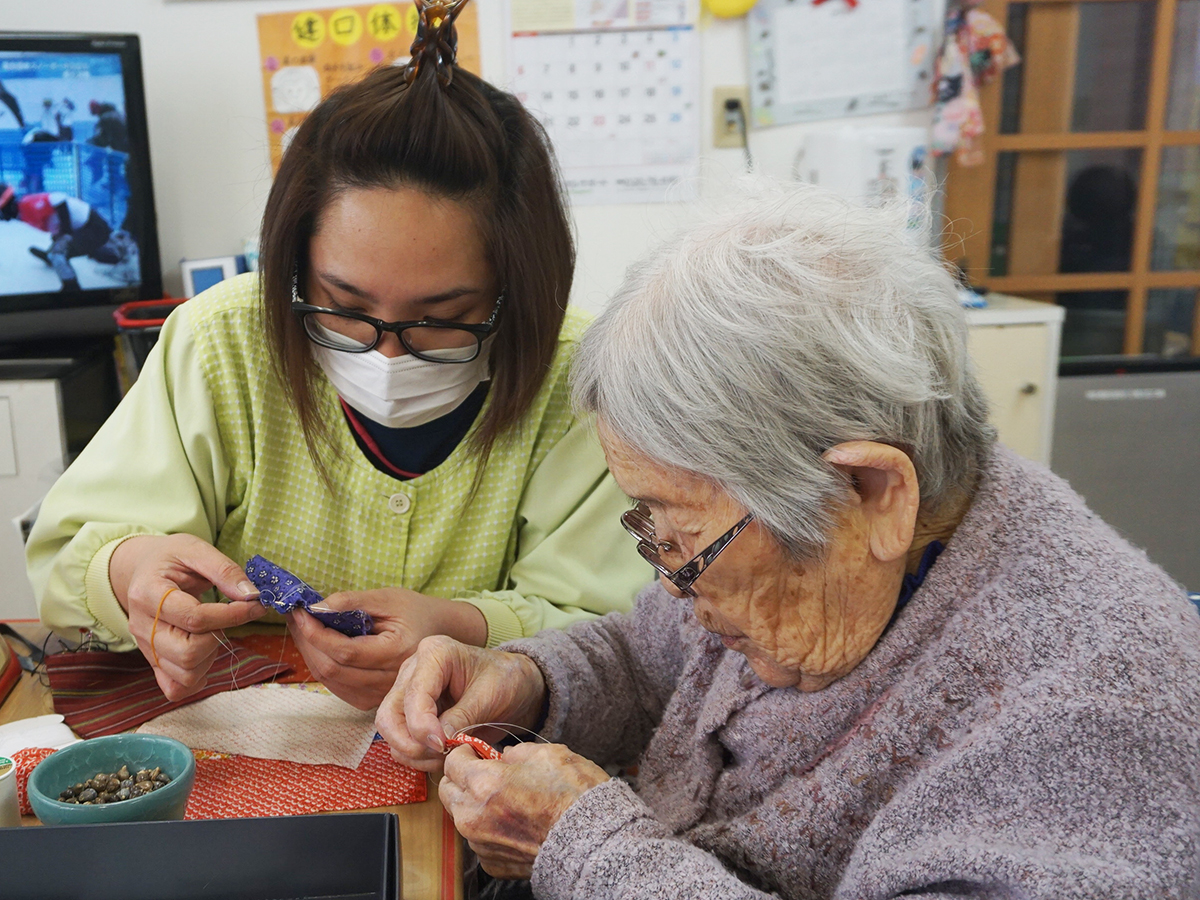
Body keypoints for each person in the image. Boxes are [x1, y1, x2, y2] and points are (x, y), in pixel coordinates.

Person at [377, 183, 1200, 899]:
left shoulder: (1091, 727)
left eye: (682, 535)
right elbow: (648, 656)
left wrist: (585, 848)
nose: (670, 581)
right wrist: (526, 684)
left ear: (872, 493)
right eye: (649, 527)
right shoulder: (834, 554)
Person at [26, 0, 647, 709]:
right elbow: (68, 551)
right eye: (344, 307)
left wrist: (466, 629)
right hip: (232, 725)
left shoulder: (581, 382)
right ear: (296, 265)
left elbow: (615, 623)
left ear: (518, 292)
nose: (384, 354)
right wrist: (131, 574)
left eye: (442, 319)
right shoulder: (224, 342)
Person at [0, 182, 122, 292]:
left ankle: (71, 287)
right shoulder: (24, 212)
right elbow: (52, 222)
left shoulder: (29, 205)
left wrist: (66, 232)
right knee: (64, 245)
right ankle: (54, 255)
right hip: (83, 228)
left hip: (93, 228)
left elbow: (59, 199)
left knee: (58, 254)